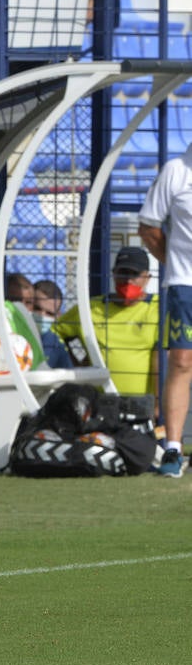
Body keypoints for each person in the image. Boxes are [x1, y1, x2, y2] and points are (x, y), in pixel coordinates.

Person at [140, 143, 192, 475]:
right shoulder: (176, 170)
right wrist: (173, 264)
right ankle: (173, 448)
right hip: (184, 284)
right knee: (182, 360)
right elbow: (149, 228)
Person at [52, 247, 159, 397]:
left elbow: (165, 360)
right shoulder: (91, 307)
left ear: (147, 277)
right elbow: (56, 332)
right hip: (98, 402)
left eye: (134, 274)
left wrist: (158, 405)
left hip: (141, 404)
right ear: (113, 274)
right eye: (123, 273)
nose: (128, 280)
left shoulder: (157, 308)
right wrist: (79, 360)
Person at [32, 278, 73, 370]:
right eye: (37, 308)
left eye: (49, 313)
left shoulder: (53, 343)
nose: (42, 316)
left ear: (58, 316)